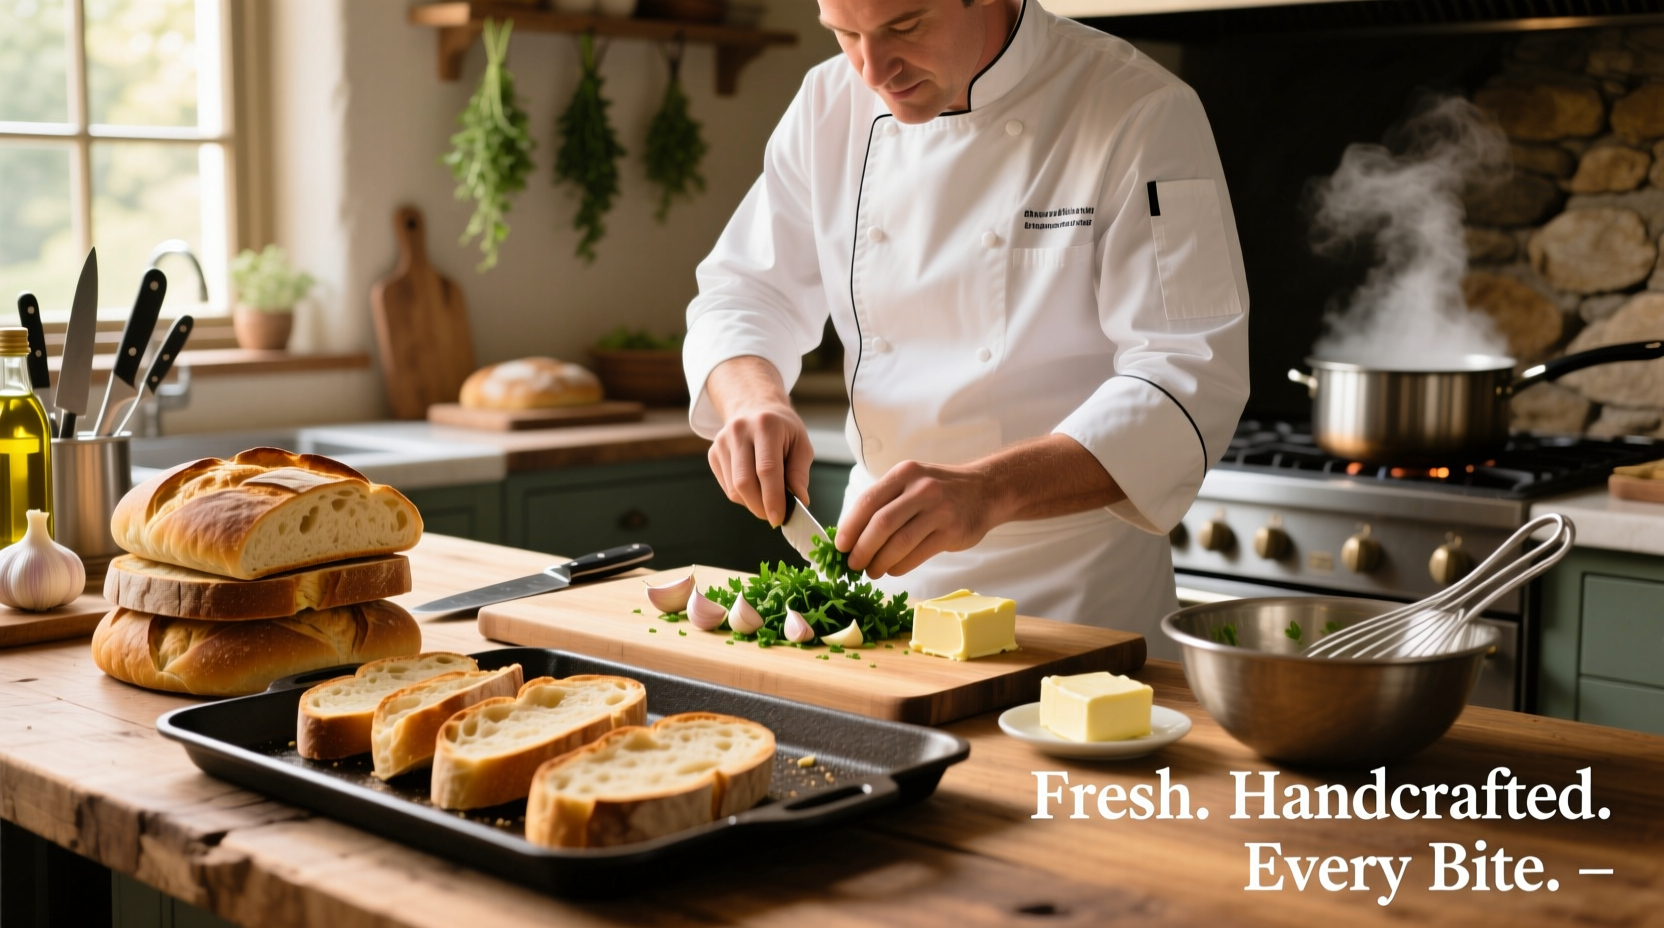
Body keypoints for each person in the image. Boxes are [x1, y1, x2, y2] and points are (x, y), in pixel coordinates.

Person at [682, 0, 1250, 645]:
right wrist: (753, 401)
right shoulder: (827, 104)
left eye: (905, 27)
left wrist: (990, 489)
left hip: (1069, 603)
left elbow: (1190, 373)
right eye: (845, 34)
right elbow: (743, 292)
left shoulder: (1141, 108)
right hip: (875, 592)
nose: (872, 70)